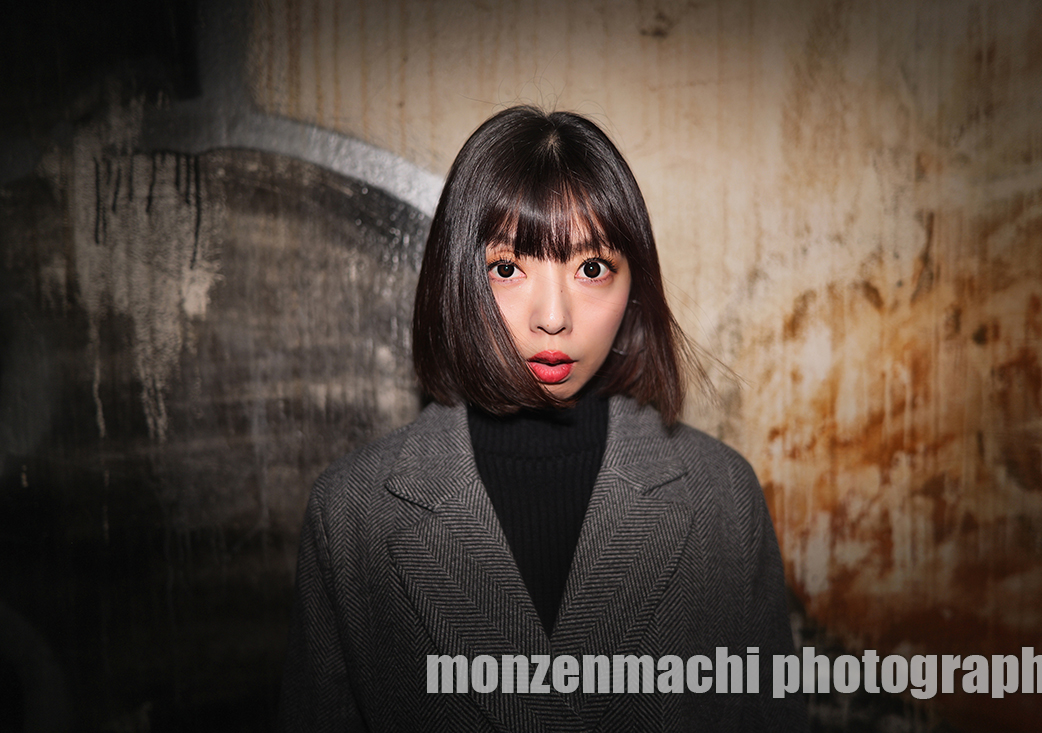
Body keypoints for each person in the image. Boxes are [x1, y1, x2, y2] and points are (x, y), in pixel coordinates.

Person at [277, 106, 806, 732]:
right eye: (507, 268)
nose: (552, 317)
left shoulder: (723, 497)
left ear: (635, 285)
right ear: (457, 278)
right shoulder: (351, 513)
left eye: (591, 269)